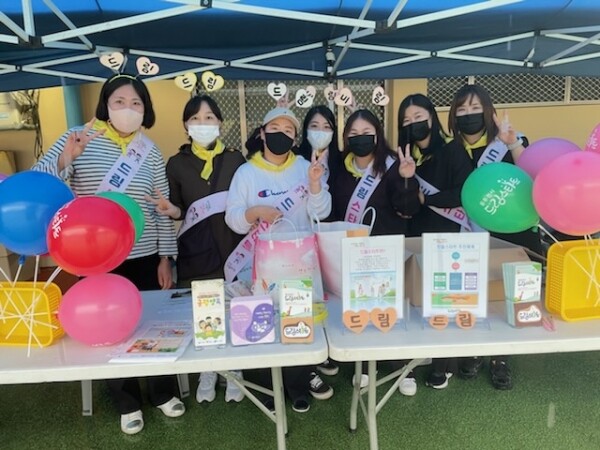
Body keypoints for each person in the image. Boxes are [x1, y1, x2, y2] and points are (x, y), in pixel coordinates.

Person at [32, 73, 184, 434]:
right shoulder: (78, 137)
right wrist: (67, 158)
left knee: (152, 323)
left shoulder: (149, 150)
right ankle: (126, 400)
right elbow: (41, 182)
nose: (128, 109)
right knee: (109, 325)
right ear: (106, 104)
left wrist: (166, 257)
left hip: (145, 252)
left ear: (145, 110)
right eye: (119, 101)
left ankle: (162, 392)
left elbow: (161, 207)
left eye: (136, 103)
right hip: (95, 254)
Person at [225, 106, 332, 413]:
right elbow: (233, 219)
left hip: (299, 265)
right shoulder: (246, 172)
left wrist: (315, 184)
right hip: (259, 267)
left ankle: (298, 382)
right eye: (274, 129)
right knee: (263, 324)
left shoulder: (305, 167)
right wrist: (255, 212)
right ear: (262, 133)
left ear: (296, 139)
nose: (281, 135)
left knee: (298, 323)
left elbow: (322, 211)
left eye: (288, 131)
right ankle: (266, 386)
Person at [149, 95, 246, 405]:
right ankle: (208, 369)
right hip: (196, 249)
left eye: (209, 118)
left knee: (233, 309)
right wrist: (172, 210)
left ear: (219, 123)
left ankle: (235, 368)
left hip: (233, 247)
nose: (202, 124)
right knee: (207, 312)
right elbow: (178, 208)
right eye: (195, 119)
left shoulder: (235, 159)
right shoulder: (176, 164)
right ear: (185, 125)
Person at [448, 83, 540, 390]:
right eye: (462, 109)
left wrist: (512, 143)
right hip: (470, 232)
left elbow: (532, 173)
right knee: (477, 293)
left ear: (489, 111)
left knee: (507, 296)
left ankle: (502, 357)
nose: (469, 114)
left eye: (475, 108)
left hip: (513, 232)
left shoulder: (509, 140)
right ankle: (475, 350)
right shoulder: (451, 150)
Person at [330, 109, 420, 389]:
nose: (361, 138)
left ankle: (401, 367)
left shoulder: (393, 165)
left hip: (386, 252)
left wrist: (406, 179)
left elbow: (408, 209)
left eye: (366, 133)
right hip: (353, 254)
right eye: (354, 134)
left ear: (378, 135)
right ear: (346, 138)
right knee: (361, 311)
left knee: (390, 310)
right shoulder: (338, 168)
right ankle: (366, 363)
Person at [397, 94, 473, 396]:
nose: (413, 124)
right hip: (415, 236)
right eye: (406, 120)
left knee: (444, 301)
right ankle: (411, 363)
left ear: (431, 117)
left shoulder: (453, 149)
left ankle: (443, 364)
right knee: (415, 301)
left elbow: (465, 191)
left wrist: (427, 199)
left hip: (448, 237)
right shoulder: (406, 155)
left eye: (418, 117)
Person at [296, 105, 342, 380]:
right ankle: (311, 354)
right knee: (308, 296)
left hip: (331, 238)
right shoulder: (296, 159)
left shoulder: (341, 160)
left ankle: (329, 348)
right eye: (314, 126)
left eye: (327, 127)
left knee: (328, 296)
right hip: (303, 241)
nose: (320, 132)